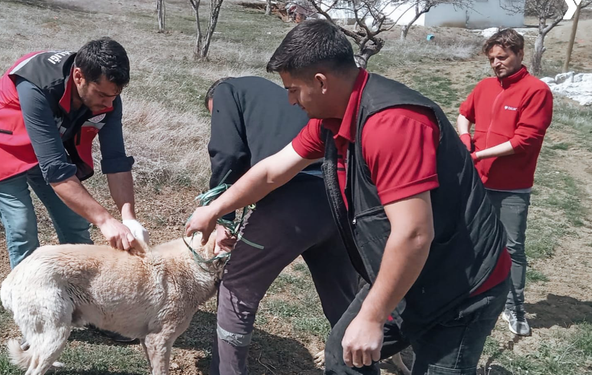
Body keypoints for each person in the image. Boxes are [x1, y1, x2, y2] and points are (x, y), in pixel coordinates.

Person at [186, 20, 512, 375]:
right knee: (345, 354)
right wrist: (215, 208)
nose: (290, 101)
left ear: (321, 82)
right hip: (410, 271)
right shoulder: (331, 119)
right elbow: (271, 171)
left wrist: (372, 316)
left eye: (293, 89)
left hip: (461, 285)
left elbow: (414, 234)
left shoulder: (391, 124)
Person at [204, 76, 358, 374]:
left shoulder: (226, 91)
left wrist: (221, 216)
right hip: (338, 198)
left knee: (236, 287)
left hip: (292, 201)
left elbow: (228, 153)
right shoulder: (276, 100)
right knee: (343, 303)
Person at [0, 37, 149, 270]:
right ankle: (30, 300)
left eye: (114, 95)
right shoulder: (37, 84)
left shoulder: (108, 95)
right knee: (22, 226)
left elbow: (116, 160)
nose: (108, 103)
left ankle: (84, 293)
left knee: (74, 220)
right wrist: (105, 221)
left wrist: (128, 217)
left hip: (44, 140)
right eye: (102, 95)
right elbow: (56, 171)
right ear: (79, 77)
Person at [457, 29, 553, 336]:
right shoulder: (485, 87)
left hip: (511, 186)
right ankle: (474, 296)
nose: (496, 64)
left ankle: (515, 308)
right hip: (478, 181)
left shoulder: (536, 91)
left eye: (503, 57)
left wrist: (480, 154)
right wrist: (464, 139)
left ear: (520, 54)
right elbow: (464, 113)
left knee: (512, 247)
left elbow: (525, 140)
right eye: (492, 59)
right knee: (472, 240)